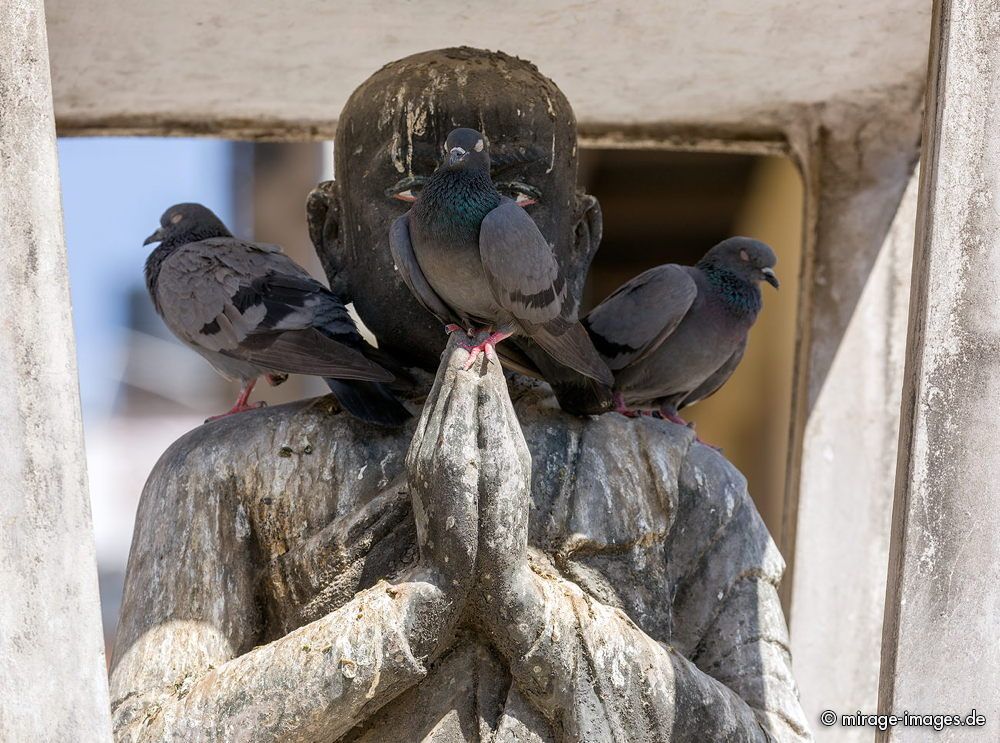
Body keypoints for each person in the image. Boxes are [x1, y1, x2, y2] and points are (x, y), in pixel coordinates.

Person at [109, 48, 811, 742]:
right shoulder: (218, 470)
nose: (481, 238)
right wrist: (421, 603)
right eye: (412, 196)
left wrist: (520, 600)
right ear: (333, 240)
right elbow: (149, 731)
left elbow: (773, 731)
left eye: (524, 205)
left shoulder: (688, 479)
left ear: (577, 241)